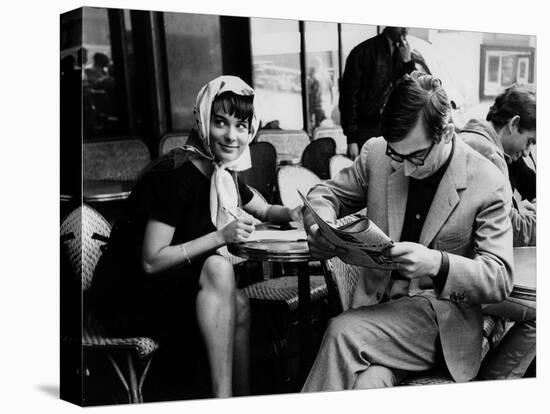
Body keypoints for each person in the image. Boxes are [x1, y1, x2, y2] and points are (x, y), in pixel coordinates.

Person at [89, 76, 301, 398]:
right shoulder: (176, 174)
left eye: (241, 126)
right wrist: (221, 236)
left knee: (240, 303)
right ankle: (222, 397)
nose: (232, 136)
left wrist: (295, 213)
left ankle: (242, 397)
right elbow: (150, 261)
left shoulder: (221, 174)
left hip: (168, 286)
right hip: (126, 297)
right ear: (202, 120)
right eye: (220, 122)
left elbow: (266, 209)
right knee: (218, 269)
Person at [301, 71, 513, 391]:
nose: (406, 168)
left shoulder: (488, 181)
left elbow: (498, 278)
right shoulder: (377, 153)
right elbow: (323, 194)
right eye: (396, 155)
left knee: (342, 332)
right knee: (369, 385)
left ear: (446, 134)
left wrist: (437, 263)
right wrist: (321, 226)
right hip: (377, 313)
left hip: (440, 321)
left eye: (416, 156)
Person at [460, 85, 536, 379]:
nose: (527, 151)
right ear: (513, 124)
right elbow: (510, 229)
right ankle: (498, 384)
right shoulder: (489, 153)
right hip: (467, 277)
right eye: (529, 141)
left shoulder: (470, 138)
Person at [339, 26, 415, 159]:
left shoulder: (402, 52)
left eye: (408, 26)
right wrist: (351, 139)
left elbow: (408, 89)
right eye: (401, 25)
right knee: (366, 174)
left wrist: (408, 63)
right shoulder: (362, 52)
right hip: (365, 130)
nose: (405, 30)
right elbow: (348, 97)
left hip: (390, 129)